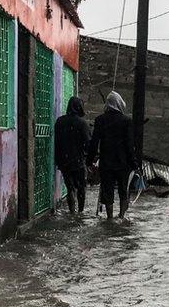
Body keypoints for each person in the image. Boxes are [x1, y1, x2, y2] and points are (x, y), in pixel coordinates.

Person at [87, 91, 137, 219]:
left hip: (106, 163)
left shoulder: (100, 120)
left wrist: (89, 161)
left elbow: (94, 142)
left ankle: (109, 218)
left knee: (107, 191)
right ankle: (121, 216)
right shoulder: (126, 121)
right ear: (119, 103)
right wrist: (134, 164)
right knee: (123, 191)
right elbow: (129, 145)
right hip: (123, 164)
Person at [54, 96, 91, 214]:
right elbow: (88, 143)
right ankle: (80, 211)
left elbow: (57, 142)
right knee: (81, 187)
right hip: (78, 161)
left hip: (63, 160)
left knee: (70, 188)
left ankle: (72, 212)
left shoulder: (60, 121)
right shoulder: (82, 123)